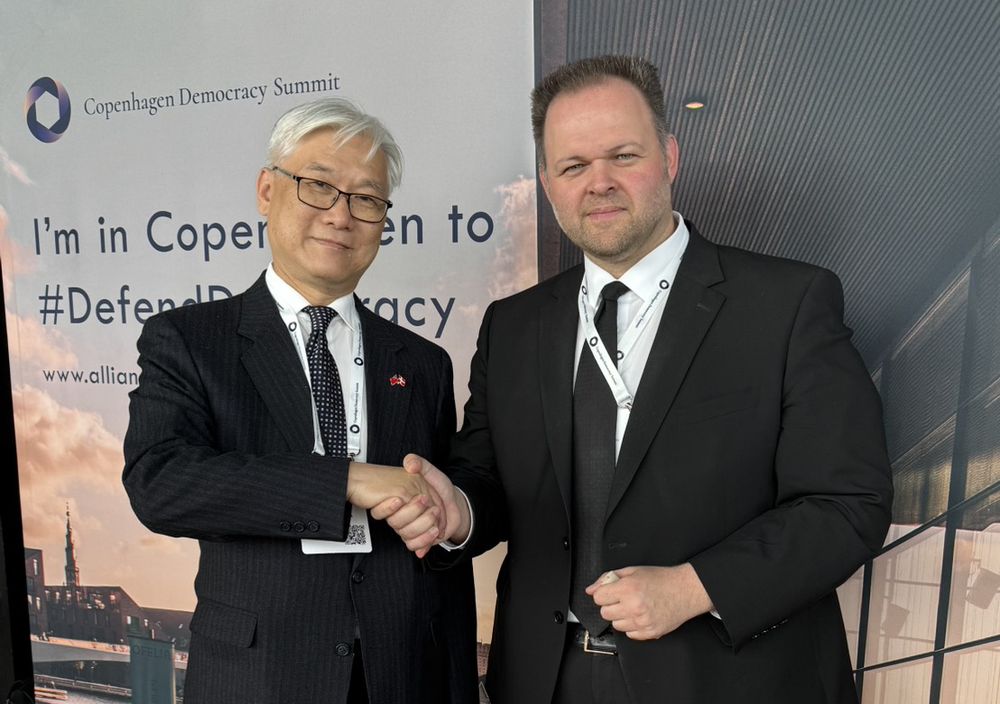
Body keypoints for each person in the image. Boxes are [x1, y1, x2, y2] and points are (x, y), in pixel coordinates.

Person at [382, 55, 894, 703]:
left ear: (670, 157)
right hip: (545, 680)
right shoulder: (514, 326)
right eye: (573, 166)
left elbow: (848, 503)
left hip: (726, 680)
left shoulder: (786, 304)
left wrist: (694, 587)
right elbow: (488, 478)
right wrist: (458, 510)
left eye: (623, 156)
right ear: (548, 182)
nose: (599, 183)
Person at [123, 97, 477, 704]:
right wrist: (347, 480)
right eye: (318, 186)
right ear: (267, 191)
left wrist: (445, 522)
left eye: (367, 198)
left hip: (402, 674)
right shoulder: (190, 340)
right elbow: (161, 484)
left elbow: (443, 522)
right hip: (257, 677)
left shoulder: (422, 362)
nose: (341, 215)